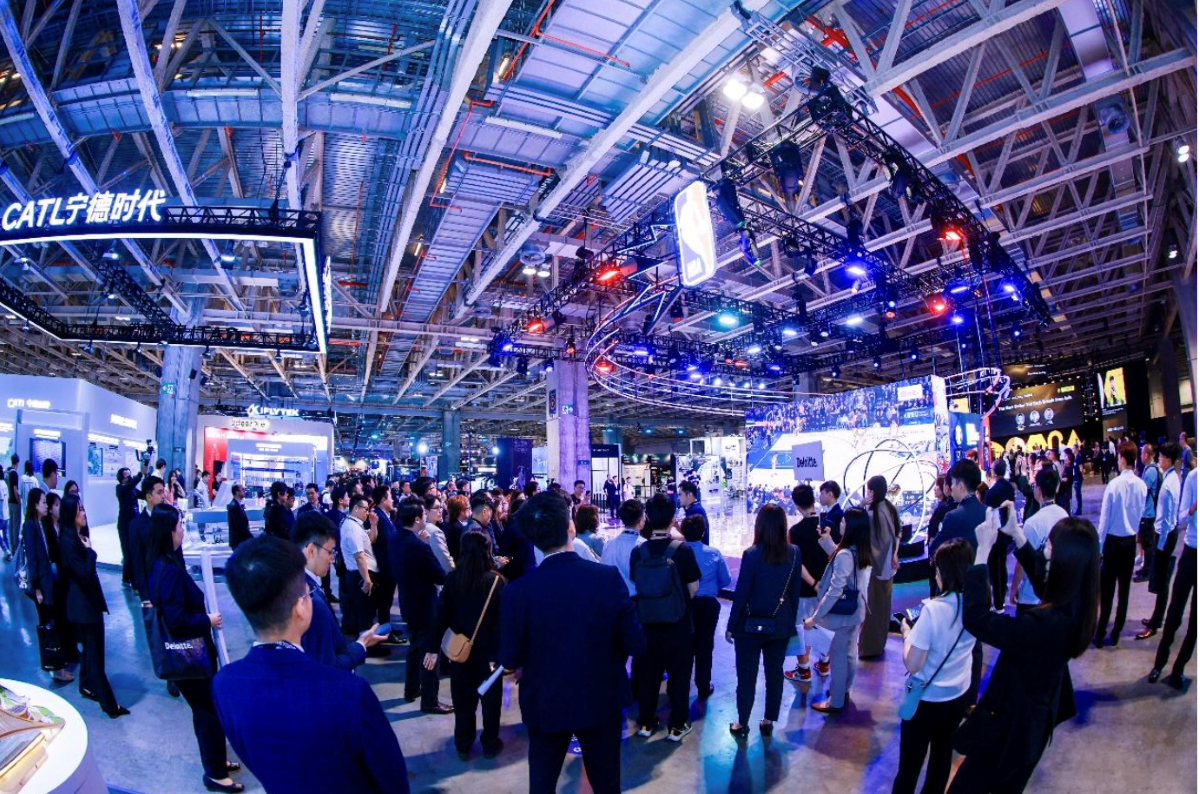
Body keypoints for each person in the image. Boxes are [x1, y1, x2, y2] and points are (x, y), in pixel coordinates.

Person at [214, 535, 410, 794]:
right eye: (306, 593)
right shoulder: (349, 692)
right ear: (299, 608)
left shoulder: (225, 683)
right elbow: (392, 778)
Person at [498, 491, 645, 794]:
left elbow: (509, 658)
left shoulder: (517, 593)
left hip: (545, 703)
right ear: (570, 527)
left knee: (542, 782)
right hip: (600, 698)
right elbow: (636, 643)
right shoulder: (606, 579)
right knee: (606, 782)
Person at [945, 510, 1099, 794]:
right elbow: (1044, 580)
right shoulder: (1077, 604)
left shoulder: (1043, 624)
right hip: (1033, 724)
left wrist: (982, 554)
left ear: (1066, 560)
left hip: (1010, 728)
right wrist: (1017, 534)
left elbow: (979, 620)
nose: (1045, 549)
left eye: (1051, 545)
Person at [145, 504, 241, 792]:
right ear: (168, 531)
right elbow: (176, 620)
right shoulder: (168, 570)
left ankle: (217, 761)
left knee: (208, 710)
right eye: (179, 526)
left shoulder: (168, 563)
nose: (182, 530)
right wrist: (207, 620)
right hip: (188, 659)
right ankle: (214, 773)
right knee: (207, 711)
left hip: (193, 657)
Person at [891, 539, 977, 794]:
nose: (935, 575)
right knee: (941, 761)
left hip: (927, 701)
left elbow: (913, 663)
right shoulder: (976, 605)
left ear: (945, 572)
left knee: (909, 766)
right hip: (958, 696)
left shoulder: (933, 610)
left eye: (937, 570)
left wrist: (907, 633)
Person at [423, 530, 506, 760]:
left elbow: (440, 616)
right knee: (491, 702)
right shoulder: (496, 582)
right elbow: (503, 622)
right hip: (489, 654)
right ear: (487, 550)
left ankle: (463, 744)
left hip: (460, 653)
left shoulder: (453, 578)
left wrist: (432, 648)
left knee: (463, 702)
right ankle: (490, 743)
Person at [725, 504, 801, 738]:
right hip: (779, 625)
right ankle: (768, 720)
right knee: (774, 673)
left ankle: (742, 722)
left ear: (759, 526)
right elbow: (794, 593)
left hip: (748, 626)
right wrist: (789, 622)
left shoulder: (751, 554)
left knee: (746, 676)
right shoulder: (794, 552)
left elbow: (742, 593)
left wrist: (730, 625)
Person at [630, 493, 701, 741]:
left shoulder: (638, 552)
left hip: (647, 624)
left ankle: (646, 723)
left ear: (647, 517)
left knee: (648, 675)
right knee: (679, 676)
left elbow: (637, 584)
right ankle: (677, 725)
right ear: (673, 518)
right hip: (678, 625)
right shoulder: (682, 550)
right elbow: (693, 589)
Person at [58, 496, 129, 718]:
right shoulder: (68, 542)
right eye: (80, 510)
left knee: (91, 651)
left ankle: (86, 686)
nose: (84, 513)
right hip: (83, 607)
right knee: (96, 655)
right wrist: (91, 552)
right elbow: (83, 573)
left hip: (88, 604)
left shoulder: (76, 537)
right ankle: (110, 705)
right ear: (71, 514)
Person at [293, 511, 382, 671]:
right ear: (311, 550)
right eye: (330, 551)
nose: (332, 559)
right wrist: (360, 646)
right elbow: (328, 668)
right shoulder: (310, 600)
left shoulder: (298, 583)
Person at [389, 496, 453, 714]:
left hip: (408, 602)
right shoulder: (418, 545)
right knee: (430, 652)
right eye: (425, 514)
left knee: (415, 647)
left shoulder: (396, 539)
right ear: (417, 519)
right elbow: (439, 575)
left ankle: (411, 688)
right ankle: (430, 700)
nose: (427, 517)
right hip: (425, 605)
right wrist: (425, 545)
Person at [808, 508, 871, 713]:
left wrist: (816, 617)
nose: (840, 524)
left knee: (839, 658)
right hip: (856, 611)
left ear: (851, 527)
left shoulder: (845, 554)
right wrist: (827, 542)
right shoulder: (860, 549)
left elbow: (835, 590)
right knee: (849, 654)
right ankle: (843, 690)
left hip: (842, 616)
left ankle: (835, 701)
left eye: (844, 521)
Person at [1094, 442, 1146, 647]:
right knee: (1124, 591)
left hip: (1113, 544)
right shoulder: (1141, 485)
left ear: (1123, 458)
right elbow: (1140, 515)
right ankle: (1115, 633)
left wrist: (1099, 548)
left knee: (1107, 592)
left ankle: (1100, 634)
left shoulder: (1114, 485)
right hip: (1129, 542)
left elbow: (1104, 521)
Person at [1149, 463, 1196, 688]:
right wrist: (1194, 508)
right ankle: (1159, 663)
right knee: (1175, 613)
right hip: (1190, 552)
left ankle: (1178, 670)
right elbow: (1181, 519)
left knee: (1195, 624)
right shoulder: (1193, 478)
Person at [22, 488, 73, 682]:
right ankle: (55, 668)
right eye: (43, 502)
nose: (45, 505)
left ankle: (58, 665)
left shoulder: (39, 524)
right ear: (35, 504)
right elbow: (33, 558)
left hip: (47, 583)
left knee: (53, 623)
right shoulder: (30, 526)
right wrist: (36, 588)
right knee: (48, 628)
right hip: (41, 586)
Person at [681, 514, 729, 699]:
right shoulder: (714, 553)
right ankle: (703, 685)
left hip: (685, 604)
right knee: (705, 645)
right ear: (703, 532)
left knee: (684, 645)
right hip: (708, 605)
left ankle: (680, 685)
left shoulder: (678, 552)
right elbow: (725, 580)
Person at [1138, 443, 1183, 639]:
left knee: (1162, 581)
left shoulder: (1171, 482)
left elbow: (1169, 518)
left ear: (1170, 460)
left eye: (1163, 457)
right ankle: (1156, 618)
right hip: (1164, 533)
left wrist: (1162, 543)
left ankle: (1156, 623)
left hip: (1165, 535)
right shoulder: (1169, 477)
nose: (1159, 460)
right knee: (1160, 579)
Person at [1010, 467, 1068, 615]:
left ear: (1039, 490)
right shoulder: (1064, 515)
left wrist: (1014, 588)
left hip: (1031, 596)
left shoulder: (1032, 523)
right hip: (1057, 589)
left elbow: (1022, 562)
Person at [786, 484, 829, 683]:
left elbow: (797, 562)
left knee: (802, 628)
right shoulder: (829, 526)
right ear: (814, 500)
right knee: (824, 625)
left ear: (796, 505)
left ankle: (803, 670)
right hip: (827, 589)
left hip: (805, 589)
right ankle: (824, 663)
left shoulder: (795, 531)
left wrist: (813, 583)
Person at [861, 475, 900, 657]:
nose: (867, 493)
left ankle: (870, 648)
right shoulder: (889, 508)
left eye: (869, 490)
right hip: (888, 568)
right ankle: (879, 643)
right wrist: (894, 554)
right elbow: (896, 535)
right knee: (883, 608)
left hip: (878, 569)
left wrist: (860, 506)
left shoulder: (872, 514)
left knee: (873, 610)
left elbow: (851, 524)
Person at [340, 494, 382, 637]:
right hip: (360, 574)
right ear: (356, 508)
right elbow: (359, 556)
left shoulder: (357, 524)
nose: (367, 512)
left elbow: (371, 540)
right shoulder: (352, 527)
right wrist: (367, 580)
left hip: (363, 573)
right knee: (365, 612)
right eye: (365, 509)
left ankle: (368, 643)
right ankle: (369, 646)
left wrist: (374, 524)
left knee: (367, 610)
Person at [930, 459, 985, 556]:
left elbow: (934, 549)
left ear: (961, 486)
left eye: (953, 483)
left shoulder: (953, 517)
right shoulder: (987, 511)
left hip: (960, 570)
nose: (951, 487)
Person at [984, 460, 1017, 610]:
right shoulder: (1009, 487)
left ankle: (997, 602)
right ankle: (1001, 596)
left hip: (995, 533)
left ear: (994, 472)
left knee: (994, 567)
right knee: (1002, 564)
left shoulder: (991, 492)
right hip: (1006, 531)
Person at [130, 476, 166, 604]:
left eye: (164, 491)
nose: (163, 496)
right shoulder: (136, 526)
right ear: (148, 496)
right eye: (159, 492)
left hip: (171, 583)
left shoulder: (169, 519)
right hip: (153, 587)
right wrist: (145, 598)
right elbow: (137, 562)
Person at [599, 499, 645, 596]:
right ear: (640, 520)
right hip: (635, 600)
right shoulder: (644, 545)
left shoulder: (609, 544)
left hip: (612, 598)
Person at [114, 464, 144, 589]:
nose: (129, 475)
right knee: (128, 553)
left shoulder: (132, 489)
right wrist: (141, 474)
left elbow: (142, 495)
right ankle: (135, 584)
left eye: (129, 473)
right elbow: (131, 485)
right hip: (124, 526)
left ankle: (125, 579)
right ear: (121, 477)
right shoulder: (120, 488)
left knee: (132, 552)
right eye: (126, 474)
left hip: (134, 524)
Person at [1136, 443, 1162, 582]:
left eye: (1141, 454)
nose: (1140, 457)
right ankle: (1146, 567)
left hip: (1148, 513)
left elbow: (1144, 491)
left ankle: (1148, 571)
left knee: (1148, 543)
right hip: (1148, 511)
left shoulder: (1151, 470)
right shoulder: (1150, 468)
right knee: (1146, 543)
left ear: (1146, 455)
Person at [926, 477, 956, 597]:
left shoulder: (944, 508)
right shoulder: (944, 506)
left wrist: (932, 552)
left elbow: (935, 532)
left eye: (938, 485)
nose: (935, 488)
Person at [422, 493, 455, 573]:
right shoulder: (434, 531)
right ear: (426, 511)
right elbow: (445, 560)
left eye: (440, 507)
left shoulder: (424, 527)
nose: (440, 510)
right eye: (436, 508)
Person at [679, 480, 709, 544]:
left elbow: (692, 537)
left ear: (689, 494)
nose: (678, 498)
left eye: (680, 494)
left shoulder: (696, 511)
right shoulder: (693, 508)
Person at [227, 484, 251, 549]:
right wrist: (251, 538)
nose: (244, 491)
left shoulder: (238, 505)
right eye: (242, 489)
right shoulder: (234, 506)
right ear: (237, 492)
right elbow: (239, 526)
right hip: (238, 541)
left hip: (241, 541)